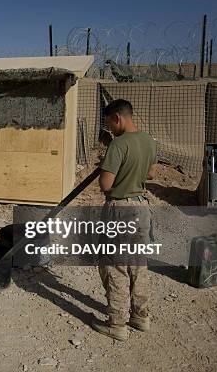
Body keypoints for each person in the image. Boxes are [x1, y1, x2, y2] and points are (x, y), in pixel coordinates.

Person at [91, 99, 157, 341]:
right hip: (141, 208)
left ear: (117, 118)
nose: (109, 128)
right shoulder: (148, 140)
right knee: (138, 263)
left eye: (109, 123)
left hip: (120, 210)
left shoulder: (118, 145)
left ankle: (117, 323)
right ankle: (141, 317)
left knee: (116, 266)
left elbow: (106, 184)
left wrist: (112, 164)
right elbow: (150, 173)